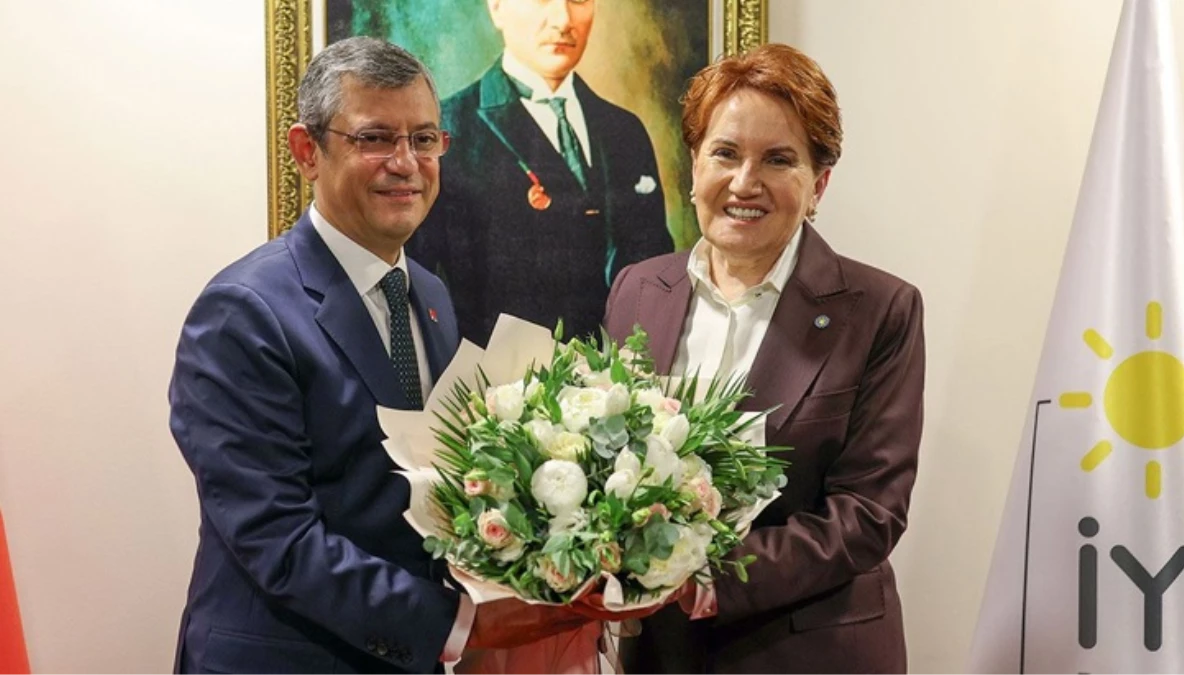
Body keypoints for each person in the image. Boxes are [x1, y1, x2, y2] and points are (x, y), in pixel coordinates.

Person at [168, 37, 588, 674]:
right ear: (307, 151)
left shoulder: (430, 295)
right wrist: (461, 624)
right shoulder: (242, 313)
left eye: (424, 139)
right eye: (374, 139)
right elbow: (279, 542)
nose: (407, 163)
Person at [604, 44, 925, 674]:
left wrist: (704, 579)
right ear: (693, 164)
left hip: (811, 651)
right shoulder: (638, 290)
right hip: (661, 655)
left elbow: (868, 512)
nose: (745, 183)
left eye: (778, 160)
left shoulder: (881, 309)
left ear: (817, 185)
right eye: (725, 153)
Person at [407, 0, 674, 347]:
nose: (563, 20)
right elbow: (417, 286)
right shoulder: (449, 131)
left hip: (618, 388)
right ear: (497, 8)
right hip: (487, 389)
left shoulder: (625, 131)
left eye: (578, 0)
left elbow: (656, 271)